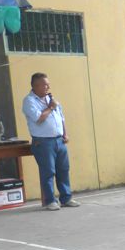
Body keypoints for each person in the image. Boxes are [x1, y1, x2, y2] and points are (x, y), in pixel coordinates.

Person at [22, 72, 79, 210]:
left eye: (48, 84)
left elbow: (61, 118)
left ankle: (66, 198)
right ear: (35, 86)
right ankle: (50, 201)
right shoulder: (29, 101)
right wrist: (51, 107)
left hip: (59, 140)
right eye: (44, 84)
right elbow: (39, 118)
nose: (48, 86)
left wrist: (65, 134)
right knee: (48, 171)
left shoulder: (51, 99)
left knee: (63, 170)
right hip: (43, 142)